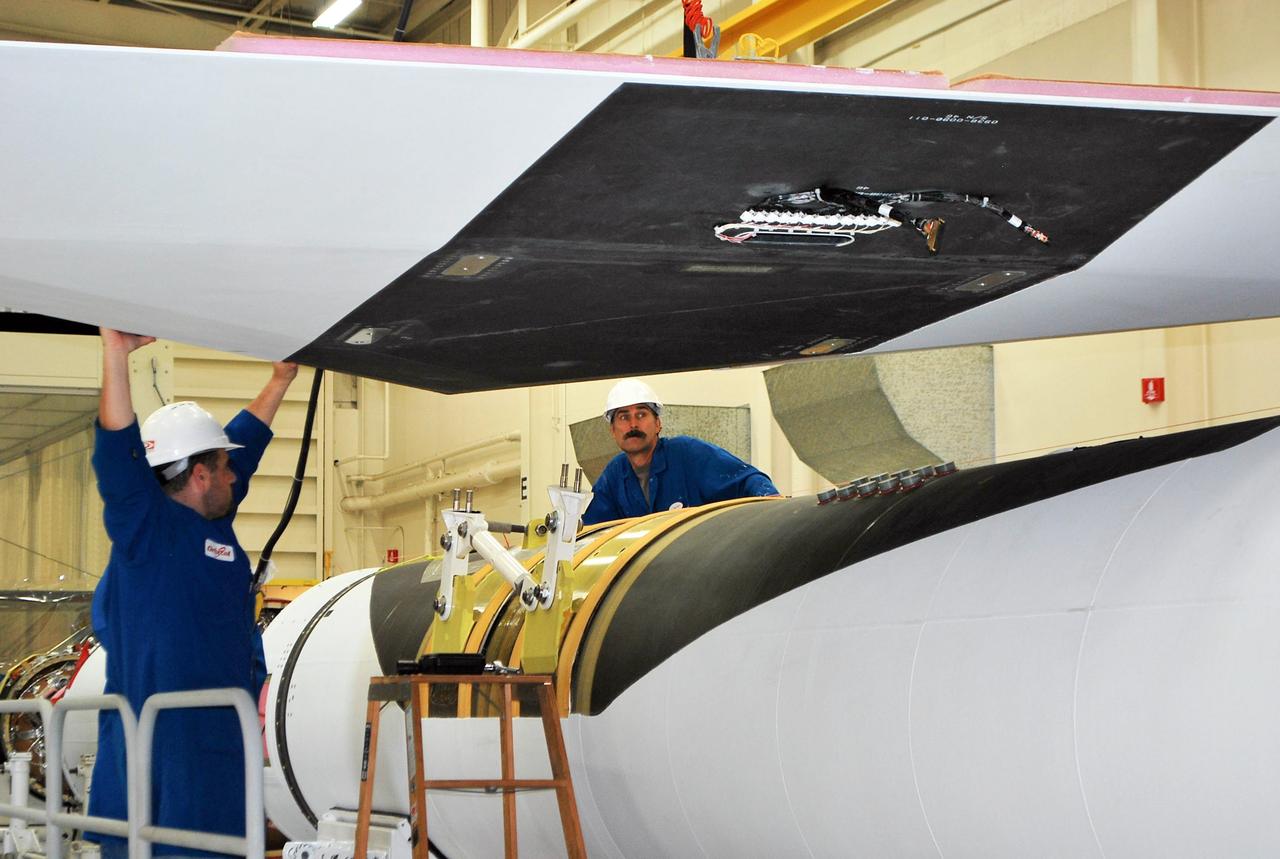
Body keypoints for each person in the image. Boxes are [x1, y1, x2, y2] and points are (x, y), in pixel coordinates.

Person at [88, 328, 298, 859]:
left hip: (218, 741)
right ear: (202, 474)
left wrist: (282, 378)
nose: (238, 473)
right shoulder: (146, 529)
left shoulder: (214, 516)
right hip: (158, 748)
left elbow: (242, 446)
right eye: (226, 466)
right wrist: (116, 356)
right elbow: (116, 451)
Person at [581, 378, 779, 525]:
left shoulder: (687, 454)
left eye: (641, 414)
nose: (633, 424)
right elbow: (593, 529)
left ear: (658, 423)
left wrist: (774, 508)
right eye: (624, 417)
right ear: (613, 431)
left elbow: (747, 480)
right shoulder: (614, 477)